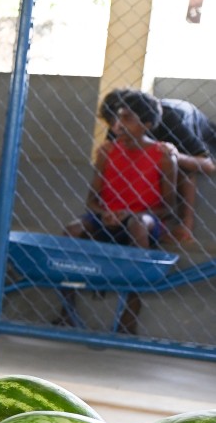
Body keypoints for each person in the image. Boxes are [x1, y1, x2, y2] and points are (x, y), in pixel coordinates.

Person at [60, 89, 178, 335]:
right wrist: (104, 213)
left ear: (146, 125)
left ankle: (130, 312)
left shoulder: (163, 155)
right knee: (71, 230)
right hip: (107, 217)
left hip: (143, 221)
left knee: (138, 224)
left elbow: (168, 207)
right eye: (116, 119)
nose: (118, 125)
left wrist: (128, 214)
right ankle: (66, 310)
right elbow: (92, 199)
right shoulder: (107, 151)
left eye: (127, 119)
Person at [100, 89, 215, 243]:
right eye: (112, 123)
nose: (116, 129)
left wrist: (175, 155)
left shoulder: (171, 118)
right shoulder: (117, 125)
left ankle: (185, 225)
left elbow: (208, 165)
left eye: (123, 120)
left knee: (179, 165)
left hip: (203, 142)